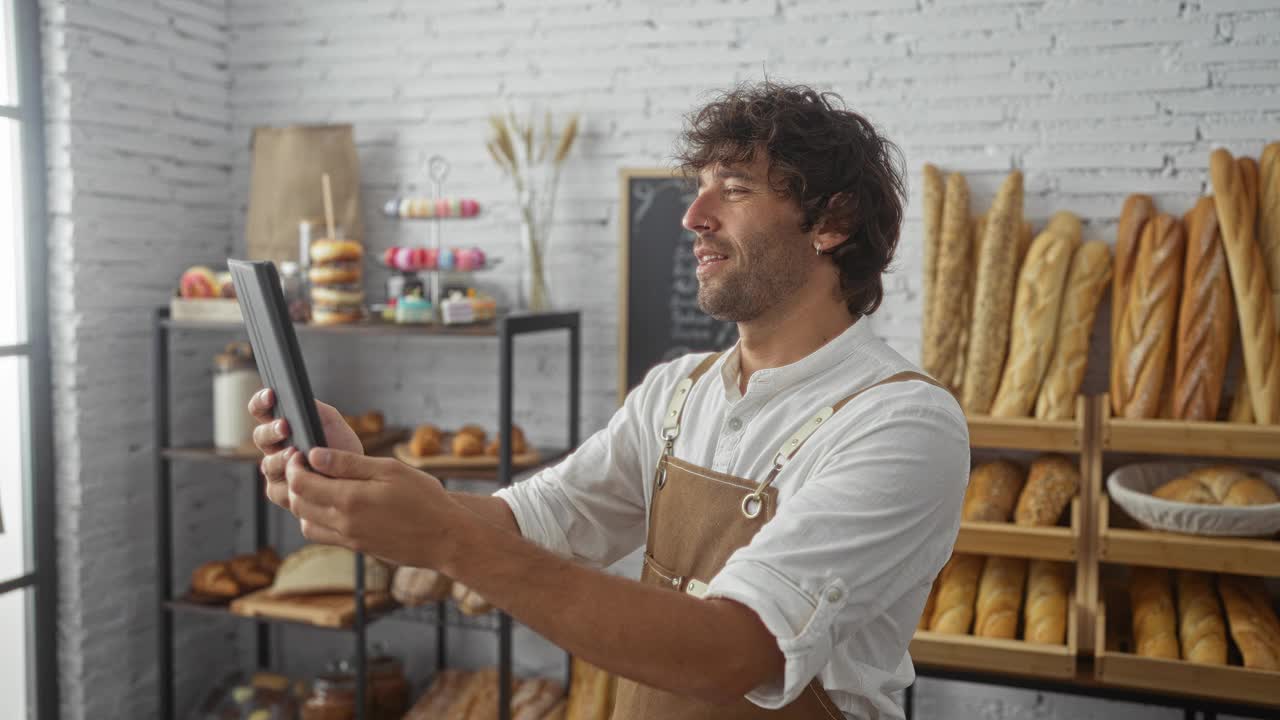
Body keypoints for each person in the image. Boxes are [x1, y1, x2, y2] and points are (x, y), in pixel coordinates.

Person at [251, 81, 969, 719]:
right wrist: (372, 487)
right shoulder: (676, 392)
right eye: (699, 185)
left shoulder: (901, 422)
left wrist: (443, 536)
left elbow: (734, 652)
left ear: (833, 222)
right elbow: (534, 519)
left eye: (736, 187)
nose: (692, 215)